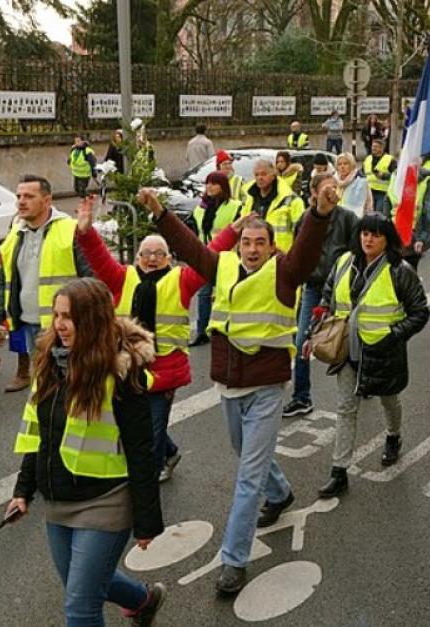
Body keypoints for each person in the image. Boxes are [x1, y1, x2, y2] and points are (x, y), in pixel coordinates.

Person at [137, 178, 336, 594]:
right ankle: (280, 493)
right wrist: (159, 213)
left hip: (266, 385)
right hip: (227, 385)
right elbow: (190, 247)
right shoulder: (222, 264)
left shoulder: (285, 271)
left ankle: (233, 560)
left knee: (247, 476)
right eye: (246, 241)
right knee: (246, 454)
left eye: (260, 242)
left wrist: (319, 212)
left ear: (270, 245)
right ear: (238, 243)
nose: (251, 248)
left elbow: (308, 249)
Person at [8, 278, 167, 626]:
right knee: (86, 585)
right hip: (58, 500)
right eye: (56, 315)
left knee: (80, 606)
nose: (60, 325)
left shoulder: (121, 371)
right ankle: (143, 600)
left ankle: (140, 601)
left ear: (92, 320)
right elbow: (41, 432)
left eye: (70, 317)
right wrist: (23, 491)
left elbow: (142, 449)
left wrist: (146, 521)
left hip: (105, 500)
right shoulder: (51, 361)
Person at [77, 194, 242, 485]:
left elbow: (208, 255)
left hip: (164, 371)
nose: (152, 258)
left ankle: (145, 482)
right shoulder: (121, 277)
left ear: (169, 258)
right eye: (146, 253)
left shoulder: (182, 279)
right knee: (132, 422)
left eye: (159, 253)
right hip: (127, 367)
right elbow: (98, 257)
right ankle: (171, 452)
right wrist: (86, 231)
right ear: (137, 257)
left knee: (149, 431)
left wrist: (232, 232)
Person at [314, 212, 430, 497]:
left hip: (382, 352)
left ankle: (393, 436)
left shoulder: (400, 270)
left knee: (389, 400)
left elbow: (420, 312)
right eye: (364, 232)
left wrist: (393, 335)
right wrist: (320, 318)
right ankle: (339, 471)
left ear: (387, 239)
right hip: (346, 350)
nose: (368, 238)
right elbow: (328, 295)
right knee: (345, 408)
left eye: (375, 234)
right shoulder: (344, 262)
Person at [0, 175, 92, 392]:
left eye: (29, 196)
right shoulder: (16, 233)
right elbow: (4, 281)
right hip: (28, 324)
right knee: (44, 388)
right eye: (18, 196)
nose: (21, 201)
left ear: (47, 201)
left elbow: (92, 281)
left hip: (64, 326)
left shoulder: (70, 230)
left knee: (72, 387)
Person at [283, 172, 358, 419]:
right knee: (302, 341)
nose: (332, 193)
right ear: (314, 193)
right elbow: (299, 252)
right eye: (326, 189)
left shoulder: (347, 218)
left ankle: (359, 383)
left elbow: (356, 252)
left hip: (341, 289)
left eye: (334, 188)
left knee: (350, 339)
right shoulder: (306, 219)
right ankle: (301, 397)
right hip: (314, 287)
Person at [191, 171, 244, 347]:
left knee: (229, 294)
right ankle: (202, 331)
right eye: (208, 183)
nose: (210, 187)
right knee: (204, 293)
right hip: (206, 256)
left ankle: (231, 328)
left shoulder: (235, 206)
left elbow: (239, 232)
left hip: (227, 258)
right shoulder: (200, 209)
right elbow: (194, 232)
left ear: (223, 186)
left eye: (214, 183)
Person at [239, 159, 305, 253]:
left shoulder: (292, 200)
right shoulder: (250, 199)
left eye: (263, 174)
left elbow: (302, 235)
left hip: (281, 258)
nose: (260, 178)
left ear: (273, 175)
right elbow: (242, 227)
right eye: (256, 175)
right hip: (254, 256)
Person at [333, 152, 373, 216]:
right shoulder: (333, 180)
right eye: (339, 164)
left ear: (351, 165)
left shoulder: (360, 181)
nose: (342, 166)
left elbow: (368, 203)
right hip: (337, 219)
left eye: (345, 164)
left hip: (355, 219)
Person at [363, 139, 396, 211]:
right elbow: (362, 172)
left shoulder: (390, 159)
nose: (373, 148)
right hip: (369, 191)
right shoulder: (368, 158)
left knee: (379, 213)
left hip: (382, 192)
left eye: (376, 147)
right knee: (369, 212)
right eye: (372, 146)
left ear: (381, 148)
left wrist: (384, 175)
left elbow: (395, 176)